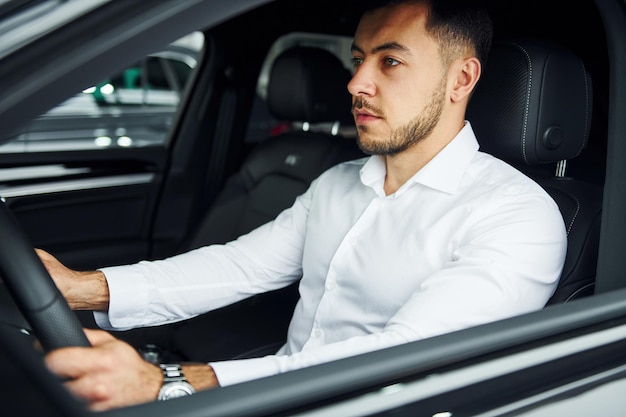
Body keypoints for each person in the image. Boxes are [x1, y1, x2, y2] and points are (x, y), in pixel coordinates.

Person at [40, 0, 567, 411]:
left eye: (390, 61)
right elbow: (239, 266)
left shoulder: (517, 217)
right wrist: (82, 287)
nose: (357, 83)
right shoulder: (338, 183)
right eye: (359, 60)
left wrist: (175, 383)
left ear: (462, 80)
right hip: (276, 391)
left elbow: (402, 361)